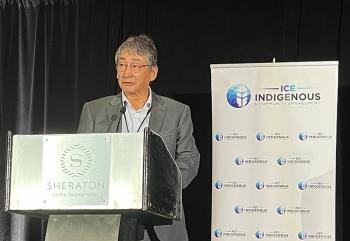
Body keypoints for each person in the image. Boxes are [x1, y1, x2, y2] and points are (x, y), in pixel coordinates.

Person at [77, 34, 200, 241]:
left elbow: (190, 159)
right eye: (121, 65)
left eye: (135, 66)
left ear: (152, 72)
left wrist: (162, 184)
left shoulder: (177, 111)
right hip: (108, 218)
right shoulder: (94, 110)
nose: (126, 72)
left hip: (160, 219)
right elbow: (82, 159)